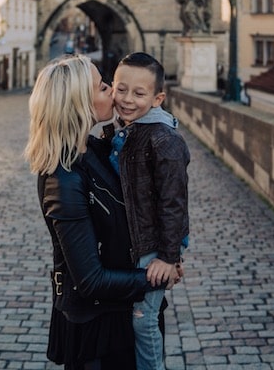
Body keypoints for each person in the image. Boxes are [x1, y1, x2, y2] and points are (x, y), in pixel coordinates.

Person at [24, 54, 179, 370]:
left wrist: (169, 254)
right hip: (97, 330)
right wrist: (156, 278)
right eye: (104, 87)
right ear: (80, 102)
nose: (115, 92)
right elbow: (90, 280)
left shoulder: (98, 150)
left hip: (124, 313)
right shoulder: (62, 178)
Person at [110, 52, 190, 370]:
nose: (127, 99)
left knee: (144, 322)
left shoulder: (163, 139)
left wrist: (169, 258)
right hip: (142, 241)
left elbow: (174, 204)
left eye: (139, 93)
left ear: (158, 98)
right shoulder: (128, 129)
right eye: (121, 89)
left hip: (153, 247)